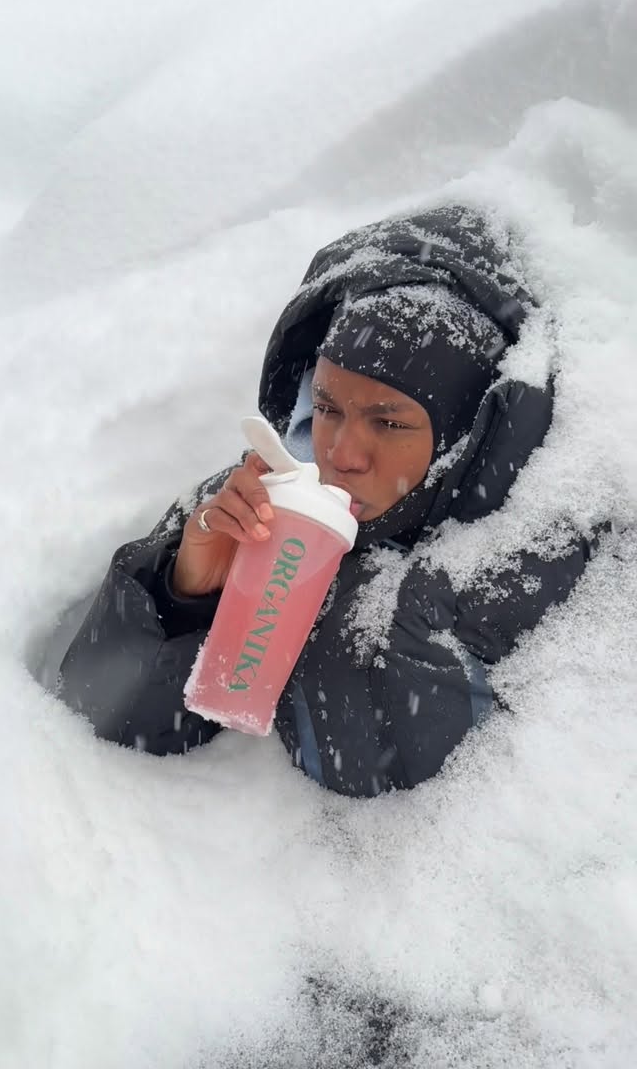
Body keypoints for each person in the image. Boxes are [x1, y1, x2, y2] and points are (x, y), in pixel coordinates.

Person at [55, 204, 591, 797]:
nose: (342, 453)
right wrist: (185, 592)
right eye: (328, 408)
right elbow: (99, 713)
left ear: (463, 440)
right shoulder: (266, 500)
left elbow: (410, 793)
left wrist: (354, 608)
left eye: (389, 423)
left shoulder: (541, 549)